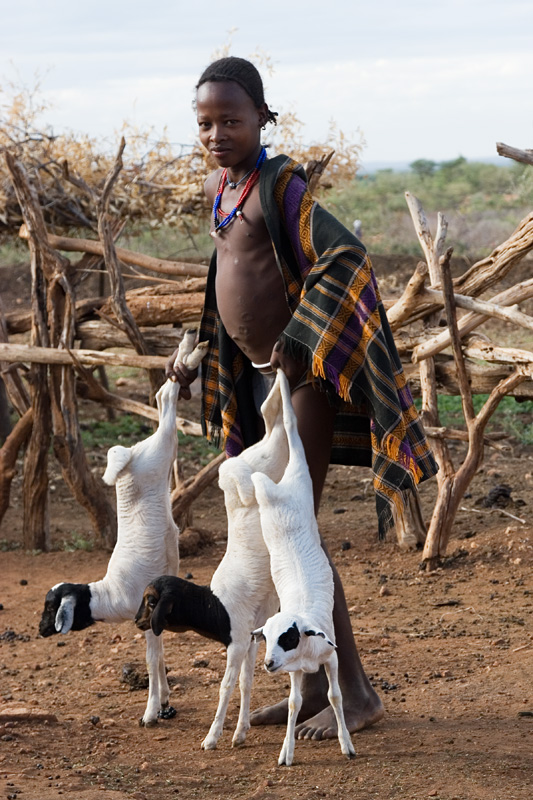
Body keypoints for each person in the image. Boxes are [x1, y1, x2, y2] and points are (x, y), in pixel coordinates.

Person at [166, 56, 438, 740]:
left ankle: (354, 692)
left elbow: (343, 256)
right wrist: (200, 353)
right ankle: (314, 688)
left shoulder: (278, 184)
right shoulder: (218, 190)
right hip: (259, 378)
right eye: (205, 122)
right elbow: (226, 278)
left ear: (262, 117)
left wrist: (298, 334)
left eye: (231, 119)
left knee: (298, 536)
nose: (216, 132)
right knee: (281, 538)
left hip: (300, 383)